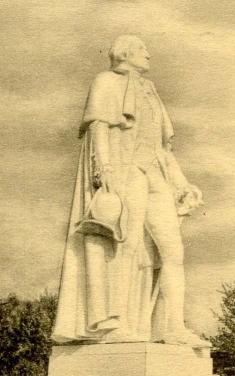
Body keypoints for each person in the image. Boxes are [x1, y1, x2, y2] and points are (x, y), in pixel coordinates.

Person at [51, 35, 206, 346]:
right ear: (126, 53)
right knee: (126, 246)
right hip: (125, 171)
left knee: (173, 251)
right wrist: (104, 170)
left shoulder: (150, 92)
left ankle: (173, 327)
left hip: (154, 176)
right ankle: (116, 322)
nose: (148, 54)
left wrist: (181, 182)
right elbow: (98, 127)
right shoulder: (105, 81)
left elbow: (163, 148)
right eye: (142, 49)